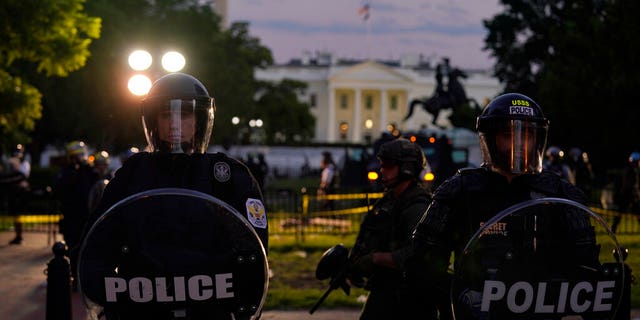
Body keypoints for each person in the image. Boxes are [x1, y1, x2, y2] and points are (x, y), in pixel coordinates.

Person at [79, 73, 268, 319]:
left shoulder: (226, 176)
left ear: (200, 121)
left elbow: (253, 248)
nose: (175, 123)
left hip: (209, 309)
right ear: (154, 122)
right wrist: (112, 297)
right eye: (167, 115)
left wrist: (241, 303)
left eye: (185, 114)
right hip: (143, 309)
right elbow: (97, 242)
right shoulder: (132, 175)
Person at [408, 93, 600, 318]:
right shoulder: (459, 190)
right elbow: (422, 263)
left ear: (537, 139)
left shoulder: (560, 193)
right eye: (508, 135)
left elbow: (587, 270)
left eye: (526, 135)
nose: (518, 144)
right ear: (490, 139)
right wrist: (460, 295)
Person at [347, 138, 435, 319]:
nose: (381, 170)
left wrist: (377, 259)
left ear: (406, 168)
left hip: (410, 298)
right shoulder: (388, 202)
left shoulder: (418, 207)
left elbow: (416, 254)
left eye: (387, 165)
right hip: (385, 291)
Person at [54, 140, 100, 286]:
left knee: (90, 248)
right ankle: (75, 277)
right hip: (72, 217)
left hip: (89, 216)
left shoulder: (90, 171)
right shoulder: (65, 173)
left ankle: (89, 277)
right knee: (74, 247)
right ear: (71, 157)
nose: (81, 158)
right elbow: (59, 190)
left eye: (82, 155)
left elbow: (99, 187)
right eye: (77, 156)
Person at [0, 144, 31, 245]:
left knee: (19, 214)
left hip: (20, 192)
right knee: (15, 214)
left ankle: (19, 236)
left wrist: (8, 181)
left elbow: (22, 176)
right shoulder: (10, 161)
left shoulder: (24, 162)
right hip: (13, 191)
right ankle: (18, 235)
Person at [611, 151, 640, 233]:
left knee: (621, 213)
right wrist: (635, 195)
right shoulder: (630, 170)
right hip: (627, 196)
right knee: (620, 213)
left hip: (628, 196)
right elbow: (629, 185)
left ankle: (613, 229)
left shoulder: (632, 170)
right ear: (635, 161)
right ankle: (613, 229)